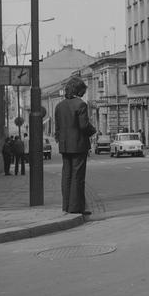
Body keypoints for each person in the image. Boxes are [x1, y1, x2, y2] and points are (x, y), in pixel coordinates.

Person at [55, 75, 96, 216]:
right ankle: (76, 207)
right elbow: (84, 126)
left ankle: (66, 206)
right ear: (79, 91)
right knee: (78, 176)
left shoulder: (59, 106)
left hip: (65, 145)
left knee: (66, 175)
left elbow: (58, 128)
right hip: (78, 145)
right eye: (83, 91)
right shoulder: (80, 104)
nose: (84, 94)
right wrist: (93, 130)